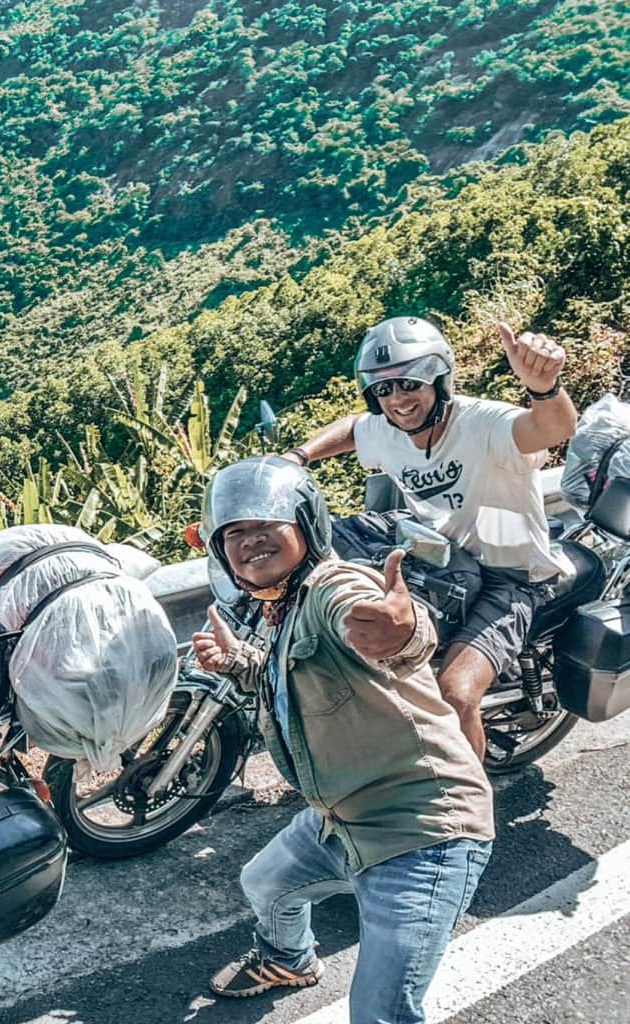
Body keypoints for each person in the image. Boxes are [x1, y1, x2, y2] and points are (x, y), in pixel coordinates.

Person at [193, 457, 493, 1024]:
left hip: (422, 831)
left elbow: (384, 628)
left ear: (305, 525)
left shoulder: (333, 585)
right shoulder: (286, 606)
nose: (250, 541)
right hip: (339, 817)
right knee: (265, 884)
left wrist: (403, 633)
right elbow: (301, 686)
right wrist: (237, 661)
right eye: (234, 533)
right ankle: (289, 958)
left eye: (266, 526)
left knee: (380, 1014)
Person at [283, 316, 578, 760]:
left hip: (513, 577)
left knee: (455, 695)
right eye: (383, 390)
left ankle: (470, 820)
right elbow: (352, 428)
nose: (398, 400)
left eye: (410, 384)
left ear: (439, 380)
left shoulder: (484, 424)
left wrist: (544, 389)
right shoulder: (388, 429)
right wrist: (297, 457)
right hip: (446, 563)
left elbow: (552, 430)